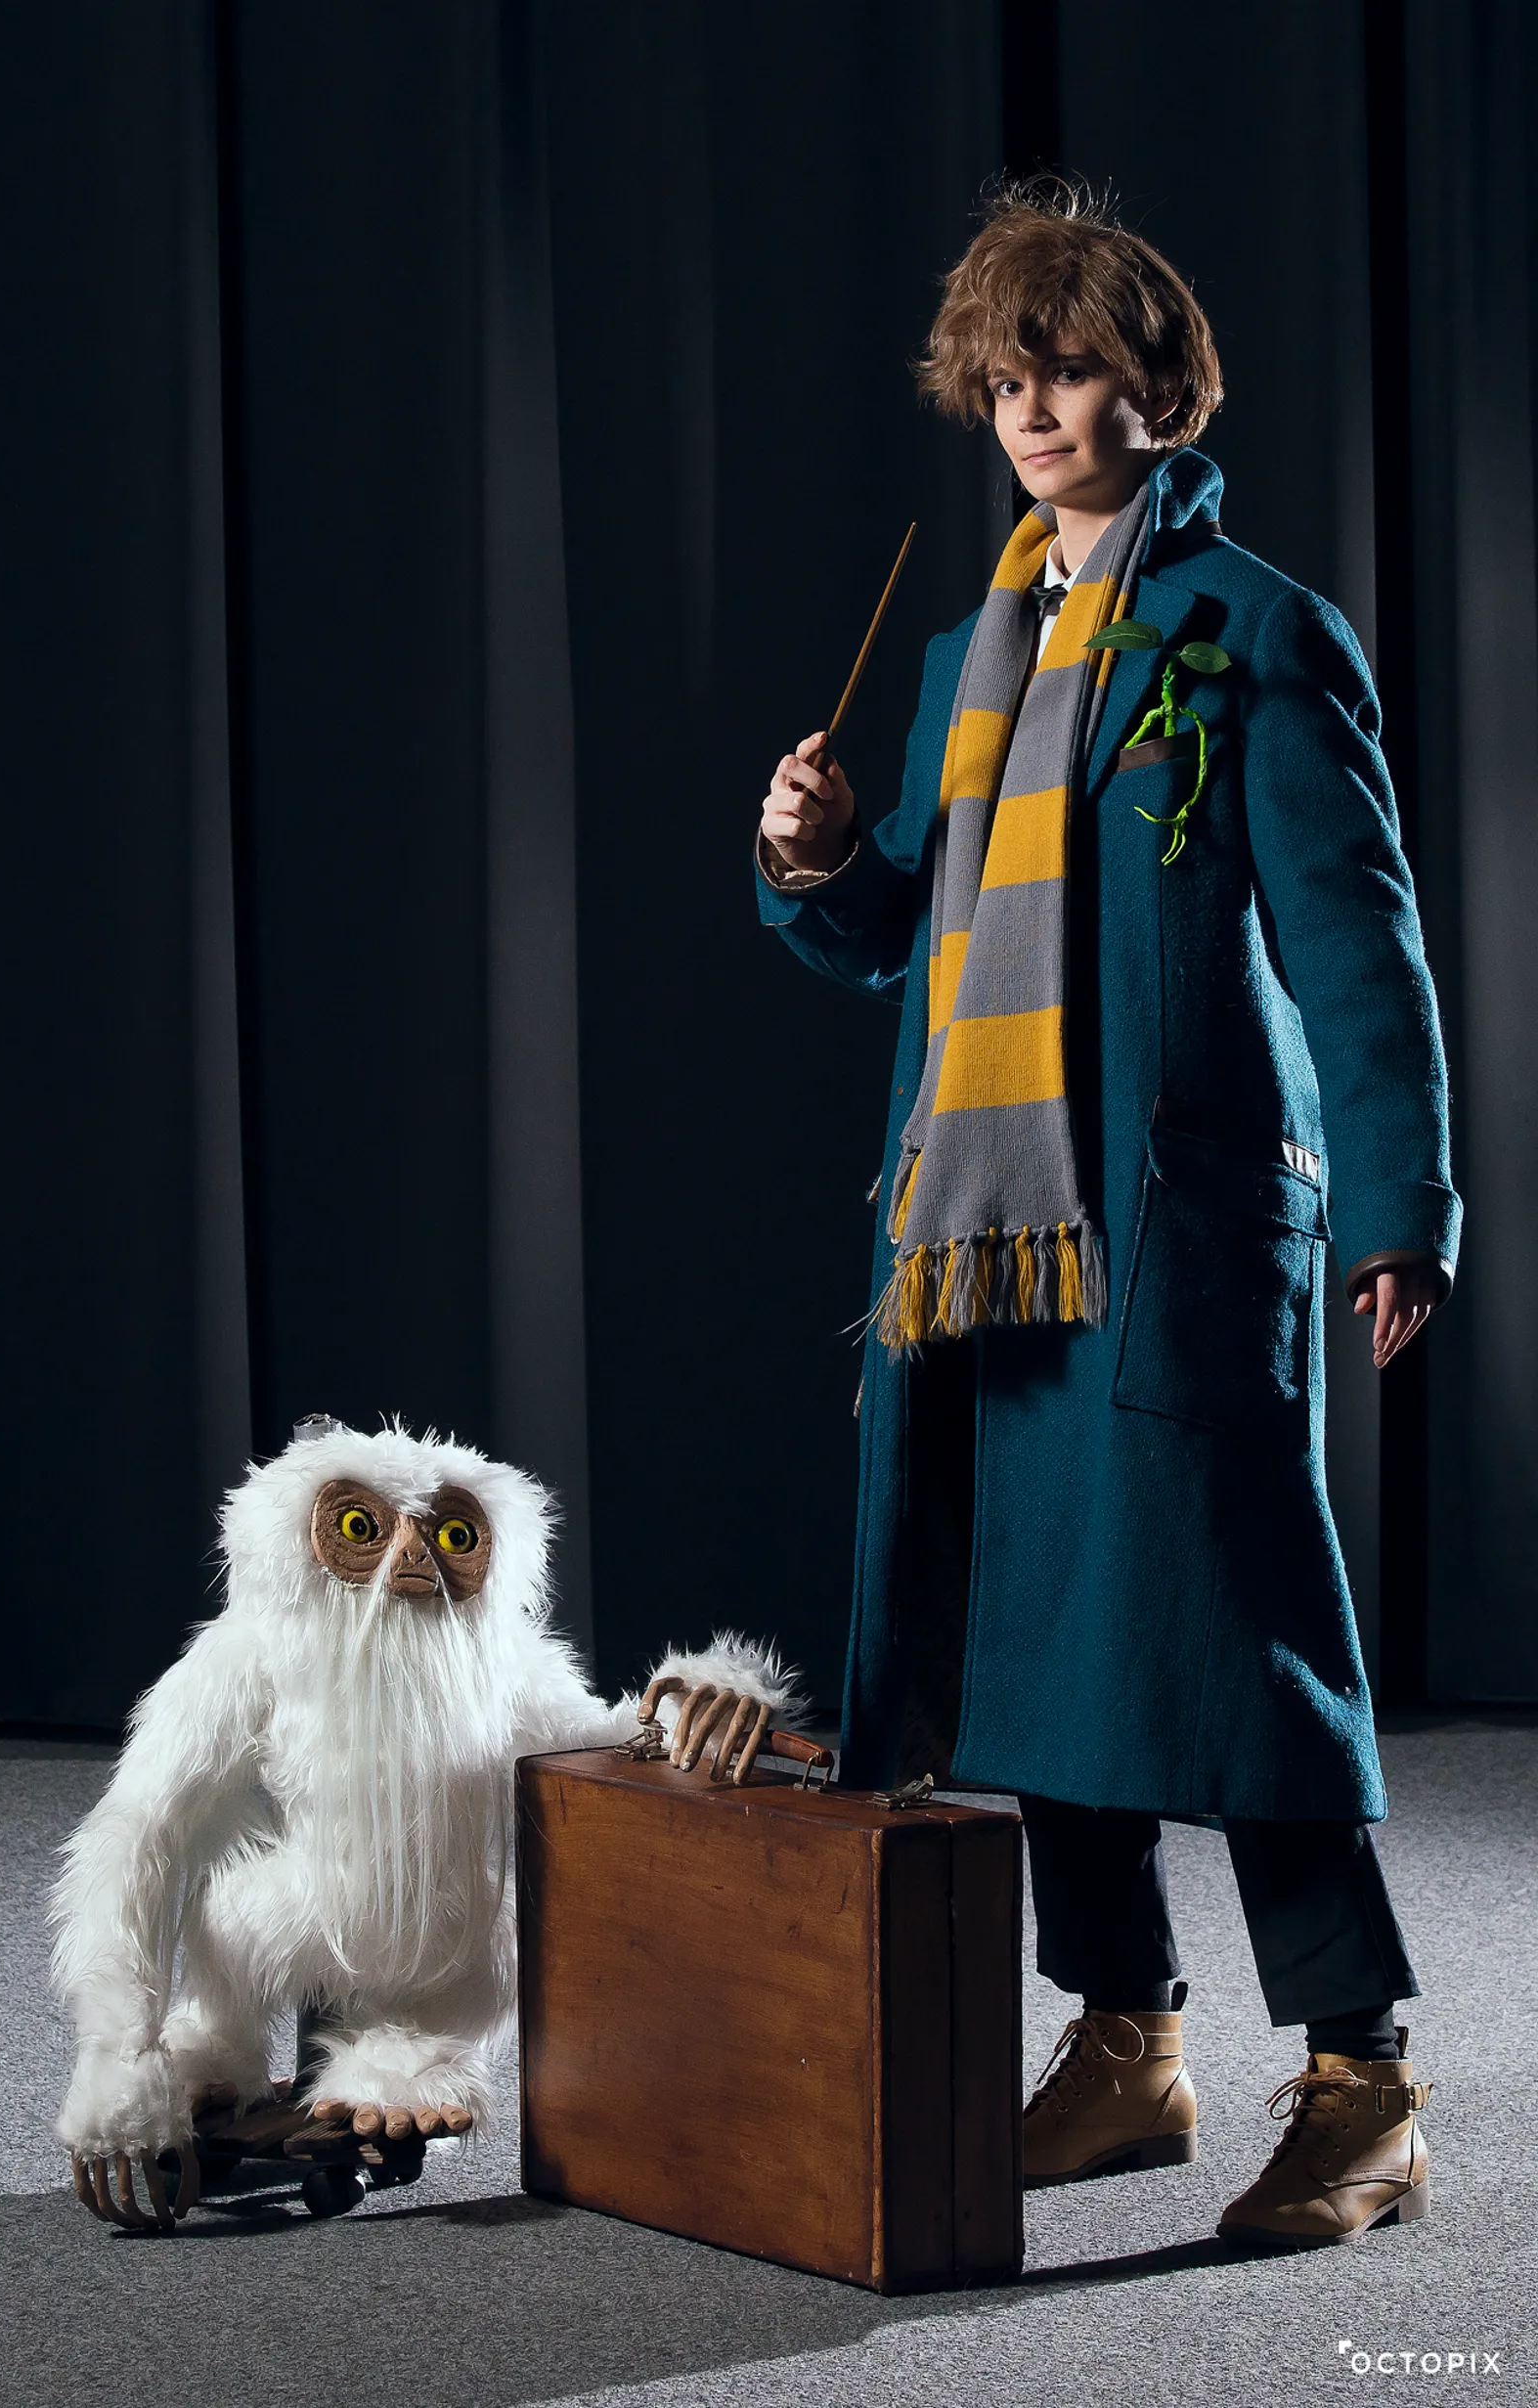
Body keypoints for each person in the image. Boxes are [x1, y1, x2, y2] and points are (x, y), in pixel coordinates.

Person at [753, 184, 1459, 2249]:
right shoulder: (970, 649)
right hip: (982, 1229)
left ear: (1158, 384)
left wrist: (1397, 1206)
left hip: (1170, 1232)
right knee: (1036, 1645)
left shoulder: (1254, 629)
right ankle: (1127, 2042)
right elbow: (912, 944)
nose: (1032, 406)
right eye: (1003, 377)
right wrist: (820, 857)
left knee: (1234, 1647)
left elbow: (1359, 945)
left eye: (1067, 368)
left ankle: (1364, 2083)